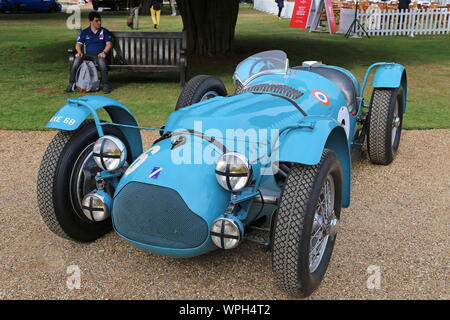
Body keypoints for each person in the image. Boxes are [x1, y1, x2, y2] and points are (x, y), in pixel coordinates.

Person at [65, 11, 112, 94]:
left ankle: (105, 85)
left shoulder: (104, 31)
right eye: (97, 21)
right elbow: (78, 44)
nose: (99, 22)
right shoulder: (85, 32)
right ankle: (71, 84)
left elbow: (109, 44)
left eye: (100, 20)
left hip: (100, 55)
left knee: (101, 61)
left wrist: (104, 52)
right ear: (91, 21)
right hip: (88, 56)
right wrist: (79, 52)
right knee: (76, 60)